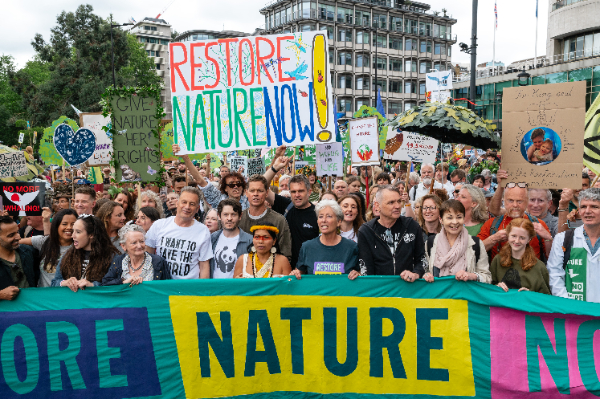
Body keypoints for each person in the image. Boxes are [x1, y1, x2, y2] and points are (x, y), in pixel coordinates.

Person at [357, 186, 426, 280]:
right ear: (377, 206)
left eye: (399, 201)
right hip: (380, 290)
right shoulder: (366, 231)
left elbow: (422, 260)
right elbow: (366, 268)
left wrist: (416, 273)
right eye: (391, 202)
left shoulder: (412, 226)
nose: (397, 206)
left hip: (408, 287)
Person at [265, 151, 320, 269]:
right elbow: (262, 186)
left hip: (309, 272)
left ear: (309, 192)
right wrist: (275, 167)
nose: (297, 195)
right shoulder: (285, 206)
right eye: (293, 192)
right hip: (285, 270)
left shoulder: (318, 214)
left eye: (301, 191)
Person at [146, 186, 213, 279]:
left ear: (197, 209)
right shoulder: (159, 225)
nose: (187, 207)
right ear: (177, 203)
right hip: (161, 286)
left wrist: (202, 291)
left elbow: (204, 265)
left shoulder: (203, 231)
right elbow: (147, 256)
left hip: (188, 289)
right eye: (184, 202)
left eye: (192, 204)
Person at [480, 175, 552, 261]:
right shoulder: (492, 224)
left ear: (527, 202)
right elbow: (475, 252)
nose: (515, 205)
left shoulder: (539, 224)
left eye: (519, 201)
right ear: (504, 200)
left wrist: (548, 238)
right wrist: (494, 238)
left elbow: (551, 258)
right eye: (510, 200)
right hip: (499, 272)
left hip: (531, 272)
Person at [547, 188, 600, 302]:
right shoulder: (563, 239)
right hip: (574, 313)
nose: (587, 211)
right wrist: (569, 304)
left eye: (594, 207)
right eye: (583, 207)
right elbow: (554, 275)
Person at [423, 200, 490, 283]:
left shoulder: (475, 244)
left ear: (464, 218)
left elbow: (487, 277)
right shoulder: (431, 243)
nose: (454, 222)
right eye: (449, 217)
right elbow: (424, 271)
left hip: (464, 295)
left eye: (459, 217)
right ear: (441, 219)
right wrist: (426, 276)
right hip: (438, 294)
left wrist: (471, 276)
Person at [291, 200, 360, 279]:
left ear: (339, 222)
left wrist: (357, 274)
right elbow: (299, 274)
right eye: (320, 216)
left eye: (329, 216)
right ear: (317, 221)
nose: (324, 220)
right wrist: (295, 273)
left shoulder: (351, 247)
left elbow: (361, 274)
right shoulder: (307, 247)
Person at [51, 215, 119, 291]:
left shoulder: (112, 256)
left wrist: (93, 285)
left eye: (78, 232)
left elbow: (117, 286)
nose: (73, 236)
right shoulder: (68, 254)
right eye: (73, 231)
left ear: (91, 235)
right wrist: (64, 283)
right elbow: (54, 283)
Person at [173, 144, 249, 210]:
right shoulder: (218, 200)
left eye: (239, 184)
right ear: (225, 188)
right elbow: (200, 181)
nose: (236, 186)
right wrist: (185, 158)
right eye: (232, 184)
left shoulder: (251, 201)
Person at [239, 175, 292, 261]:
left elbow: (286, 254)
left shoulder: (279, 220)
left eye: (260, 191)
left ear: (267, 193)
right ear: (246, 192)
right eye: (252, 190)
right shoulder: (239, 218)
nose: (256, 194)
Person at [490, 218, 550, 294]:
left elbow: (545, 298)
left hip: (526, 305)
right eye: (513, 236)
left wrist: (531, 295)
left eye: (522, 238)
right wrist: (496, 287)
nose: (517, 241)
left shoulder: (539, 267)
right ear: (508, 235)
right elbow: (488, 288)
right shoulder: (498, 260)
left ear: (529, 239)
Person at [20, 209, 77, 287]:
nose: (69, 227)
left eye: (73, 224)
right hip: (43, 296)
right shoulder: (45, 242)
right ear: (56, 225)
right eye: (64, 224)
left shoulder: (80, 246)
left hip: (67, 296)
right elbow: (16, 241)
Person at [102, 224, 171, 285]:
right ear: (123, 246)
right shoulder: (119, 261)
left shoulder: (158, 262)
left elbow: (168, 287)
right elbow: (105, 284)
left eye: (142, 241)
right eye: (134, 243)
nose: (139, 246)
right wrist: (123, 282)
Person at [209, 199, 253, 279]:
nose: (229, 218)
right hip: (215, 288)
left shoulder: (250, 241)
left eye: (233, 214)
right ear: (219, 216)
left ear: (240, 216)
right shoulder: (212, 238)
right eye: (225, 214)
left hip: (238, 288)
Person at [0, 216, 39, 300]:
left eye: (17, 232)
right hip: (6, 311)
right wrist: (1, 295)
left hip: (31, 307)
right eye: (11, 235)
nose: (18, 237)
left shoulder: (28, 251)